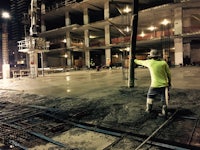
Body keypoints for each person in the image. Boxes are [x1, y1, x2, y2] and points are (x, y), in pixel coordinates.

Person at [134, 49, 171, 117]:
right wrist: (169, 82)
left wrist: (134, 59)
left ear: (151, 56)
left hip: (154, 85)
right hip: (164, 84)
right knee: (164, 98)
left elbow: (139, 62)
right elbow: (169, 74)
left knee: (150, 96)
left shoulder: (149, 62)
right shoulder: (163, 63)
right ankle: (164, 111)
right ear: (158, 56)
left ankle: (148, 109)